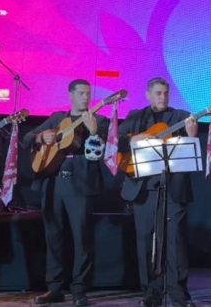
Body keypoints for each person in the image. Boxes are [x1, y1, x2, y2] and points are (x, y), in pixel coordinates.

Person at [22, 79, 109, 307]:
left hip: (80, 184)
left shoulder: (99, 120)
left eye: (88, 93)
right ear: (70, 95)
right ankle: (54, 288)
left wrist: (93, 132)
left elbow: (100, 153)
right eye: (81, 93)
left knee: (82, 238)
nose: (85, 97)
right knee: (53, 237)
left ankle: (79, 289)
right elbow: (27, 138)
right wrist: (41, 137)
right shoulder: (56, 119)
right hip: (53, 184)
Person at [118, 77, 198, 307]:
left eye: (165, 93)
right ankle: (150, 293)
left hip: (172, 187)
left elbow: (190, 147)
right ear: (148, 94)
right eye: (158, 93)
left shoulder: (181, 117)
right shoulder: (135, 117)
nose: (163, 97)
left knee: (175, 242)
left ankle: (179, 295)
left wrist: (192, 135)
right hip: (143, 189)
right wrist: (134, 138)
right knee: (145, 242)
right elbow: (116, 141)